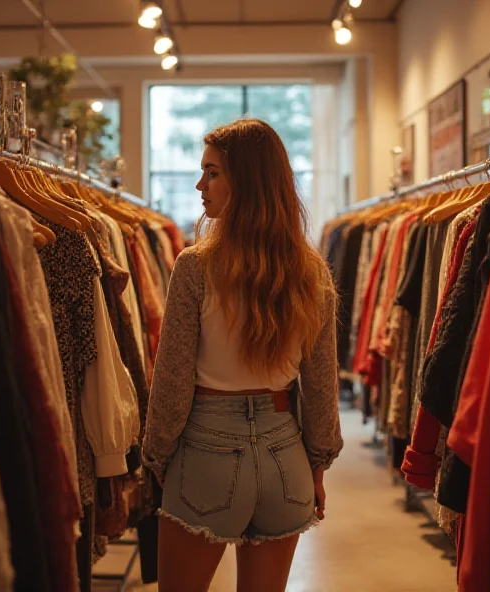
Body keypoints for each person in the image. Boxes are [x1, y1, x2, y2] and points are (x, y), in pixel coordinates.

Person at [142, 118, 343, 592]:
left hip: (206, 449)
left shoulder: (196, 266)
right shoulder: (311, 273)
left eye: (212, 172)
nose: (199, 185)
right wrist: (316, 465)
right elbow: (320, 389)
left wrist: (157, 457)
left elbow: (171, 382)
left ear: (246, 182)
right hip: (284, 455)